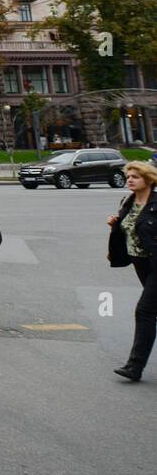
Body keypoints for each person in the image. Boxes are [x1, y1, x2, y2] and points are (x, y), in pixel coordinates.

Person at [107, 161, 157, 381]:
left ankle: (134, 367)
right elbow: (131, 227)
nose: (129, 179)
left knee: (145, 311)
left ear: (148, 180)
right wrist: (115, 225)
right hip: (141, 264)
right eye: (128, 176)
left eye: (135, 176)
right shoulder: (129, 201)